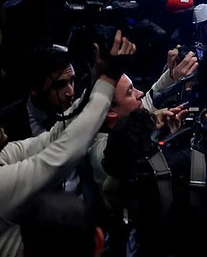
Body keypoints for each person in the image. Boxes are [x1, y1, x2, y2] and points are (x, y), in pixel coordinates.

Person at [0, 32, 134, 255]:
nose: (70, 91)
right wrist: (108, 80)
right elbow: (64, 151)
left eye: (72, 81)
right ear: (34, 88)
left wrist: (98, 79)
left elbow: (59, 136)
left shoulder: (8, 154)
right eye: (61, 84)